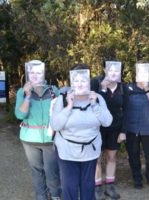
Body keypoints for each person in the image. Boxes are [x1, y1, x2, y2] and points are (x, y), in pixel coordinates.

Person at [50, 64, 113, 200]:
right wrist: (69, 107)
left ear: (89, 81)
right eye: (76, 80)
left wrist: (94, 104)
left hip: (90, 151)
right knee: (69, 187)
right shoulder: (62, 99)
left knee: (88, 187)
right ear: (71, 81)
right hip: (67, 151)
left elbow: (107, 122)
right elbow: (55, 125)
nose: (80, 83)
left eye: (83, 80)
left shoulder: (97, 98)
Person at [15, 60, 61, 200]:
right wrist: (27, 95)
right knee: (37, 171)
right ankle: (41, 196)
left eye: (39, 72)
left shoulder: (54, 90)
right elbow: (20, 115)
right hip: (30, 139)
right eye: (32, 72)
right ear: (28, 74)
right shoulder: (22, 92)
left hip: (50, 139)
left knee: (51, 171)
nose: (35, 75)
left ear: (44, 74)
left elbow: (60, 114)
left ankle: (55, 195)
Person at [91, 61, 127, 200]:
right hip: (98, 128)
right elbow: (97, 105)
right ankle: (97, 188)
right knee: (96, 160)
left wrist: (123, 131)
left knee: (112, 157)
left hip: (115, 129)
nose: (113, 73)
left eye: (116, 70)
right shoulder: (96, 84)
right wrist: (103, 89)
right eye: (110, 69)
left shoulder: (122, 88)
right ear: (105, 70)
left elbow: (127, 111)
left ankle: (110, 186)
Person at [124, 61, 149, 189]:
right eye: (140, 71)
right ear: (135, 74)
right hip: (131, 127)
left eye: (145, 71)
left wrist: (146, 88)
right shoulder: (128, 87)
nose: (142, 74)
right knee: (133, 155)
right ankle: (137, 178)